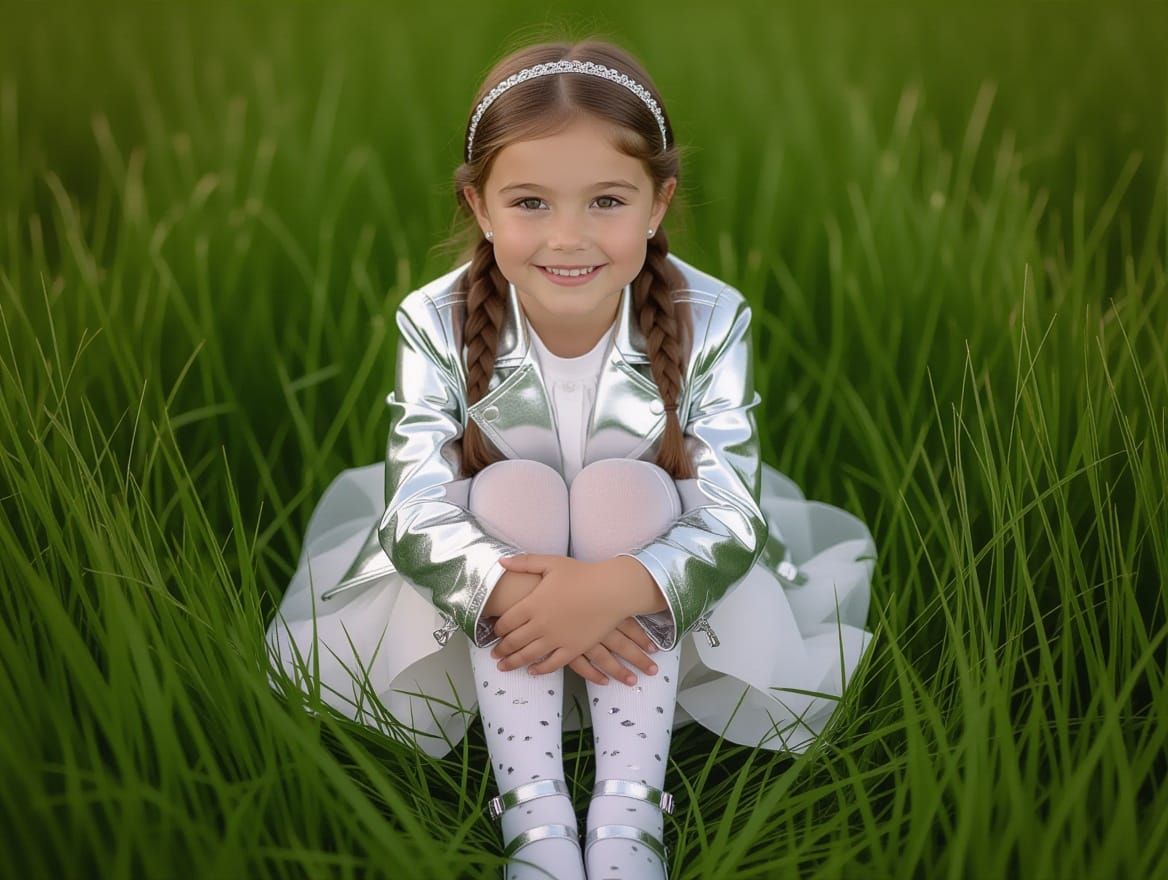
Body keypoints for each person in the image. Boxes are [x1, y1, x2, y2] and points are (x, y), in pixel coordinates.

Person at [265, 38, 877, 880]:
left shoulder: (710, 314)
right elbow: (414, 506)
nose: (568, 237)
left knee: (628, 485)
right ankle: (536, 813)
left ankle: (630, 809)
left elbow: (734, 510)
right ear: (479, 206)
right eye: (529, 202)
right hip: (488, 602)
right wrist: (514, 592)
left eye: (605, 201)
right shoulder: (435, 318)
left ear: (659, 202)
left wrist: (613, 587)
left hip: (658, 599)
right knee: (512, 485)